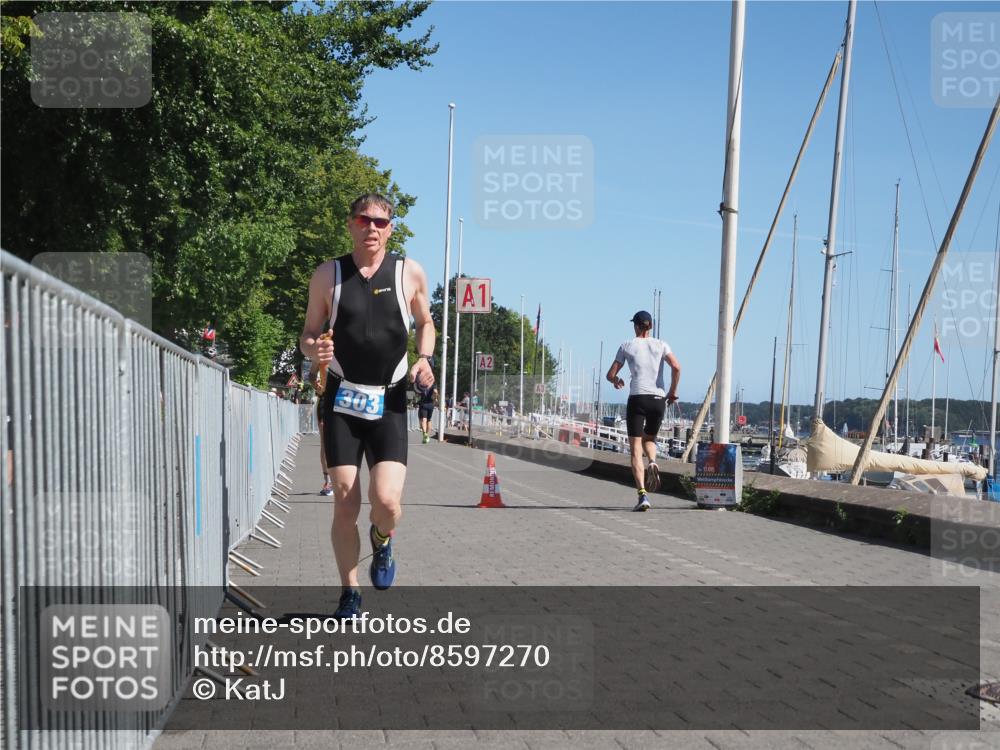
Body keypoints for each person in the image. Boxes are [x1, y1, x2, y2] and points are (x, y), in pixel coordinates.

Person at [300, 192, 436, 618]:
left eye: (381, 222)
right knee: (345, 499)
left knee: (387, 502)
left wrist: (425, 359)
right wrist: (313, 353)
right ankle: (350, 590)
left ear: (390, 228)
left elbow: (426, 322)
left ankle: (382, 539)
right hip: (342, 398)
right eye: (365, 220)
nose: (372, 228)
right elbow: (308, 332)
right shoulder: (328, 275)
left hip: (390, 399)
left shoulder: (408, 272)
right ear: (351, 224)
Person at [605, 310, 681, 512]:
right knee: (650, 439)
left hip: (637, 399)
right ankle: (654, 462)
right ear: (651, 326)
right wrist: (672, 392)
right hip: (658, 400)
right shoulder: (661, 344)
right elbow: (676, 367)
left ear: (635, 326)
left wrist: (616, 381)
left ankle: (642, 495)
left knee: (636, 448)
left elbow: (610, 374)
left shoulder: (627, 345)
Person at [308, 362, 333, 496]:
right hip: (326, 399)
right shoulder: (322, 349)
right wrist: (316, 385)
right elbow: (311, 374)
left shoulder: (352, 346)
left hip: (346, 399)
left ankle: (342, 479)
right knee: (325, 442)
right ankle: (327, 481)